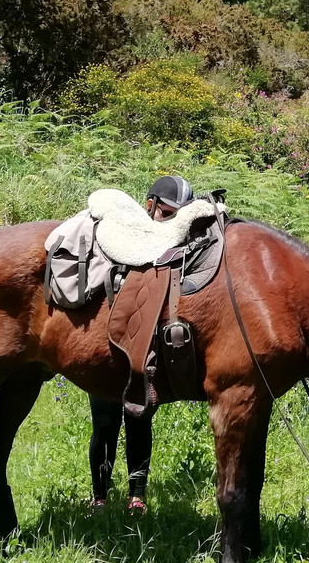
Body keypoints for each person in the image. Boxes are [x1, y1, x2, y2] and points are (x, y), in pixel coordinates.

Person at [88, 175, 195, 514]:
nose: (170, 222)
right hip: (106, 347)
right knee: (104, 420)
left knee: (139, 416)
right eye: (166, 213)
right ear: (149, 206)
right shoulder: (116, 242)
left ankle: (137, 494)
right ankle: (101, 496)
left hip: (149, 349)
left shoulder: (179, 254)